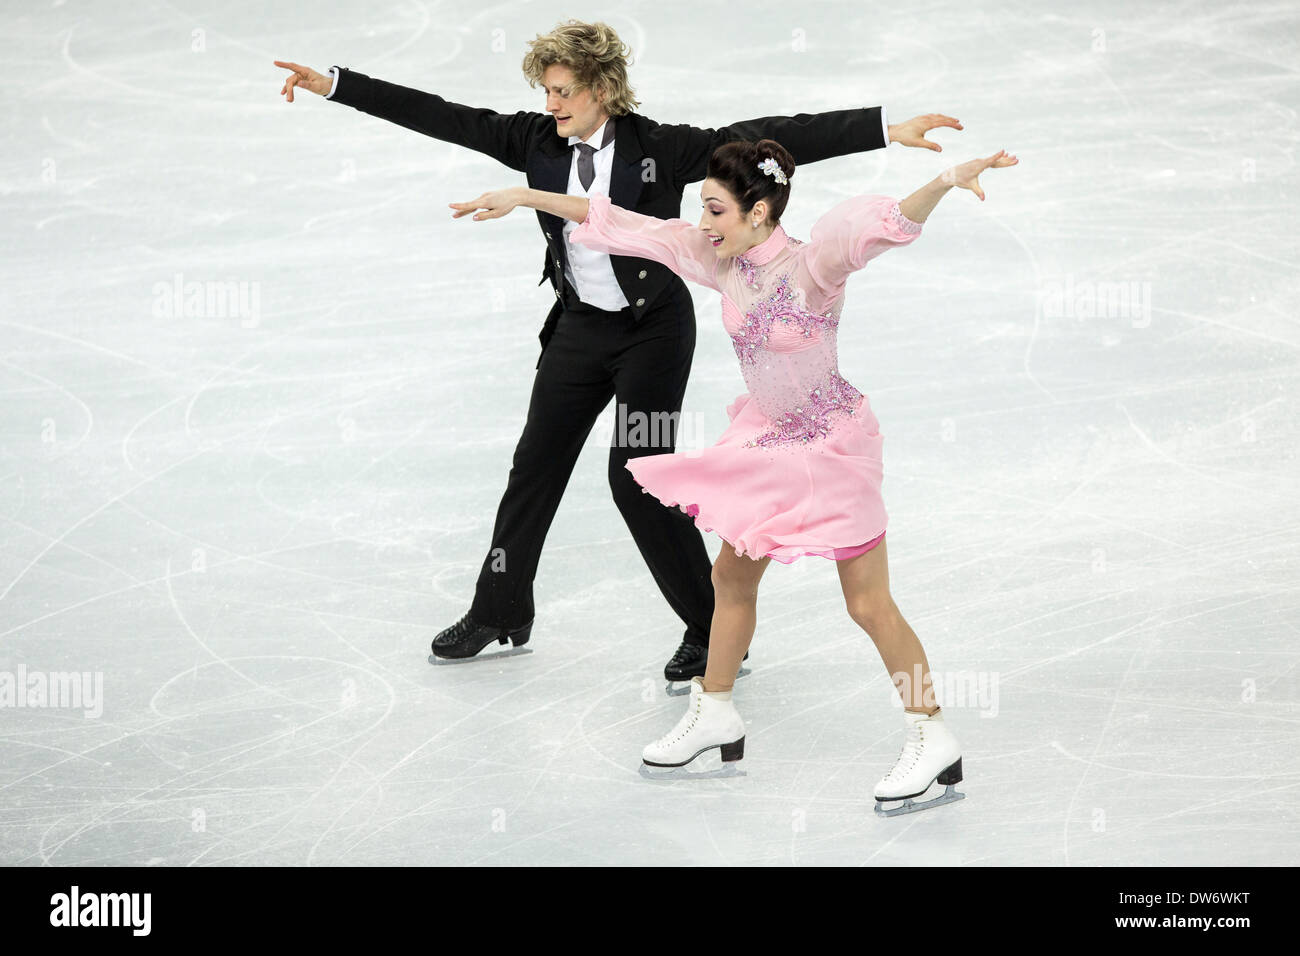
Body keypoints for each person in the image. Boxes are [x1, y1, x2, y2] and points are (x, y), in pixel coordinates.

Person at [274, 19, 964, 682]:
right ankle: (502, 607)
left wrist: (881, 128)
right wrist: (336, 84)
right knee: (533, 464)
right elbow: (441, 113)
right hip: (579, 332)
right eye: (544, 91)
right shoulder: (535, 140)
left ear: (600, 89)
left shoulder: (658, 145)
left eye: (562, 91)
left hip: (653, 337)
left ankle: (708, 626)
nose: (550, 105)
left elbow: (762, 139)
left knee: (635, 475)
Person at [447, 139, 1018, 814]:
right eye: (703, 207)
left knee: (868, 605)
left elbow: (883, 224)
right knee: (728, 579)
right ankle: (716, 711)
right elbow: (630, 226)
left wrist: (948, 179)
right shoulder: (722, 261)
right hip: (770, 446)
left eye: (716, 208)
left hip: (832, 450)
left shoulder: (813, 266)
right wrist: (527, 197)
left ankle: (933, 735)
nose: (704, 221)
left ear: (761, 210)